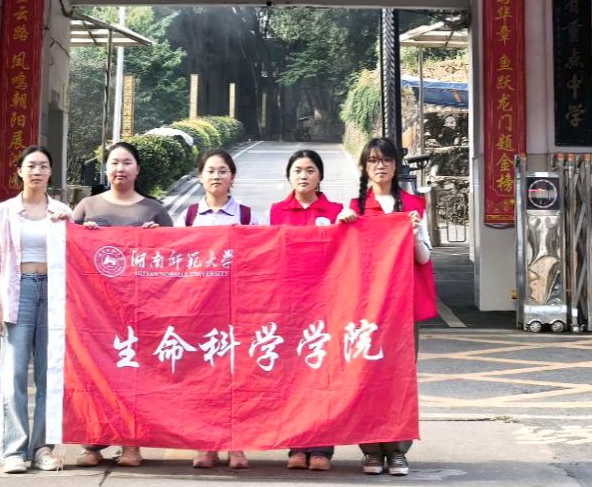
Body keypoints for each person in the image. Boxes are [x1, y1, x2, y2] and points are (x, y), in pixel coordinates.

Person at [69, 141, 172, 468]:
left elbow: (173, 260)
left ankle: (132, 443)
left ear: (137, 169)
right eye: (114, 162)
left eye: (127, 162)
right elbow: (66, 250)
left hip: (140, 311)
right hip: (94, 311)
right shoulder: (87, 207)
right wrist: (80, 233)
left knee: (135, 379)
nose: (120, 168)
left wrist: (157, 239)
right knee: (94, 376)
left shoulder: (154, 210)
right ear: (106, 168)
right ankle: (92, 443)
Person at [339, 136, 435, 478]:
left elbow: (423, 258)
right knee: (366, 376)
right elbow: (343, 257)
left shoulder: (414, 206)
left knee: (399, 377)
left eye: (386, 160)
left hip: (403, 307)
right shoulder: (355, 207)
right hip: (366, 307)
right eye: (373, 161)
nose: (380, 166)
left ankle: (397, 450)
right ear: (365, 167)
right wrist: (342, 226)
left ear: (396, 166)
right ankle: (370, 450)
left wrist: (414, 233)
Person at [0, 145, 73, 475]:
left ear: (51, 172)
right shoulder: (4, 212)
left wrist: (69, 227)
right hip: (18, 291)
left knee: (50, 374)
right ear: (19, 171)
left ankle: (43, 448)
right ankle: (14, 450)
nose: (37, 171)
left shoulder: (62, 211)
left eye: (43, 166)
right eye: (31, 166)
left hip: (54, 294)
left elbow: (79, 253)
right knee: (14, 374)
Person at [268, 149, 343, 472]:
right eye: (297, 170)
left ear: (320, 176)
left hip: (327, 304)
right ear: (289, 175)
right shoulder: (277, 211)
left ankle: (322, 448)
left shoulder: (337, 211)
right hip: (290, 305)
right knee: (294, 378)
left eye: (310, 170)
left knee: (324, 377)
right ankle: (297, 446)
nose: (303, 175)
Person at [183, 150, 254, 470]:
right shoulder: (190, 216)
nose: (216, 176)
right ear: (200, 176)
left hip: (236, 309)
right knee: (203, 379)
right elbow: (174, 256)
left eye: (223, 170)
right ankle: (207, 444)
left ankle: (237, 445)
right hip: (200, 310)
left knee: (238, 379)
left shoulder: (247, 215)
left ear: (232, 177)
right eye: (210, 170)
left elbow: (261, 258)